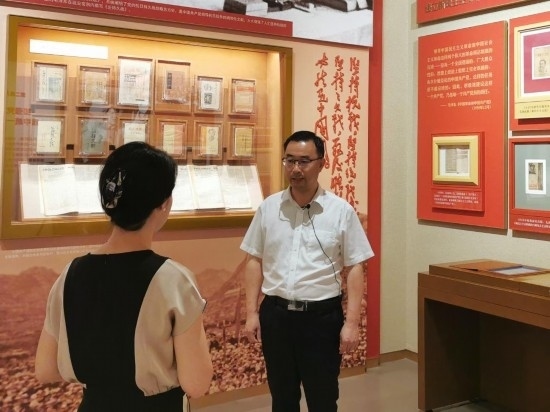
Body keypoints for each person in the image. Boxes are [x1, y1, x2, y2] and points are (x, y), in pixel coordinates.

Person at [35, 141, 213, 411]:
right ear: (165, 204)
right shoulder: (174, 280)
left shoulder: (69, 274)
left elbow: (46, 369)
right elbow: (197, 383)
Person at [241, 130, 374, 411]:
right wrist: (252, 313)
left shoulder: (340, 211)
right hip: (276, 316)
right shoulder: (269, 208)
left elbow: (355, 266)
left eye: (304, 161)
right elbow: (254, 259)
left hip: (321, 319)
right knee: (282, 398)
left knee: (322, 398)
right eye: (289, 161)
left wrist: (351, 323)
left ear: (321, 164)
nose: (295, 169)